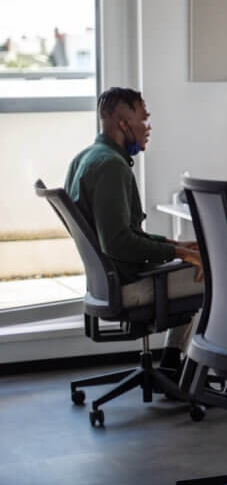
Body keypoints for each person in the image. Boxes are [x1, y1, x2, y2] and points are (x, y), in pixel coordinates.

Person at [65, 87, 203, 375]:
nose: (149, 126)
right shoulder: (111, 167)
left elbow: (120, 233)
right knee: (218, 275)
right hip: (129, 282)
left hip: (106, 281)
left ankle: (171, 367)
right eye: (144, 117)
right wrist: (178, 252)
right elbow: (118, 242)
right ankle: (191, 376)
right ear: (124, 124)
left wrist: (175, 245)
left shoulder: (84, 159)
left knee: (196, 260)